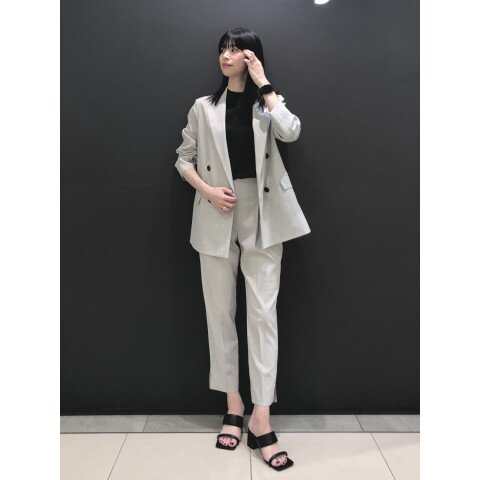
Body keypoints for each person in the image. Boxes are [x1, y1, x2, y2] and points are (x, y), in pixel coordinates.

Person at [174, 28, 310, 471]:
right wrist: (208, 190)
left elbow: (291, 132)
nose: (226, 55)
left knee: (262, 314)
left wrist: (264, 82)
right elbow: (183, 158)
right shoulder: (203, 107)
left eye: (235, 49)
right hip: (216, 207)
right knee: (220, 312)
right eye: (222, 49)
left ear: (252, 57)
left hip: (263, 211)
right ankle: (233, 406)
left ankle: (261, 416)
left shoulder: (267, 104)